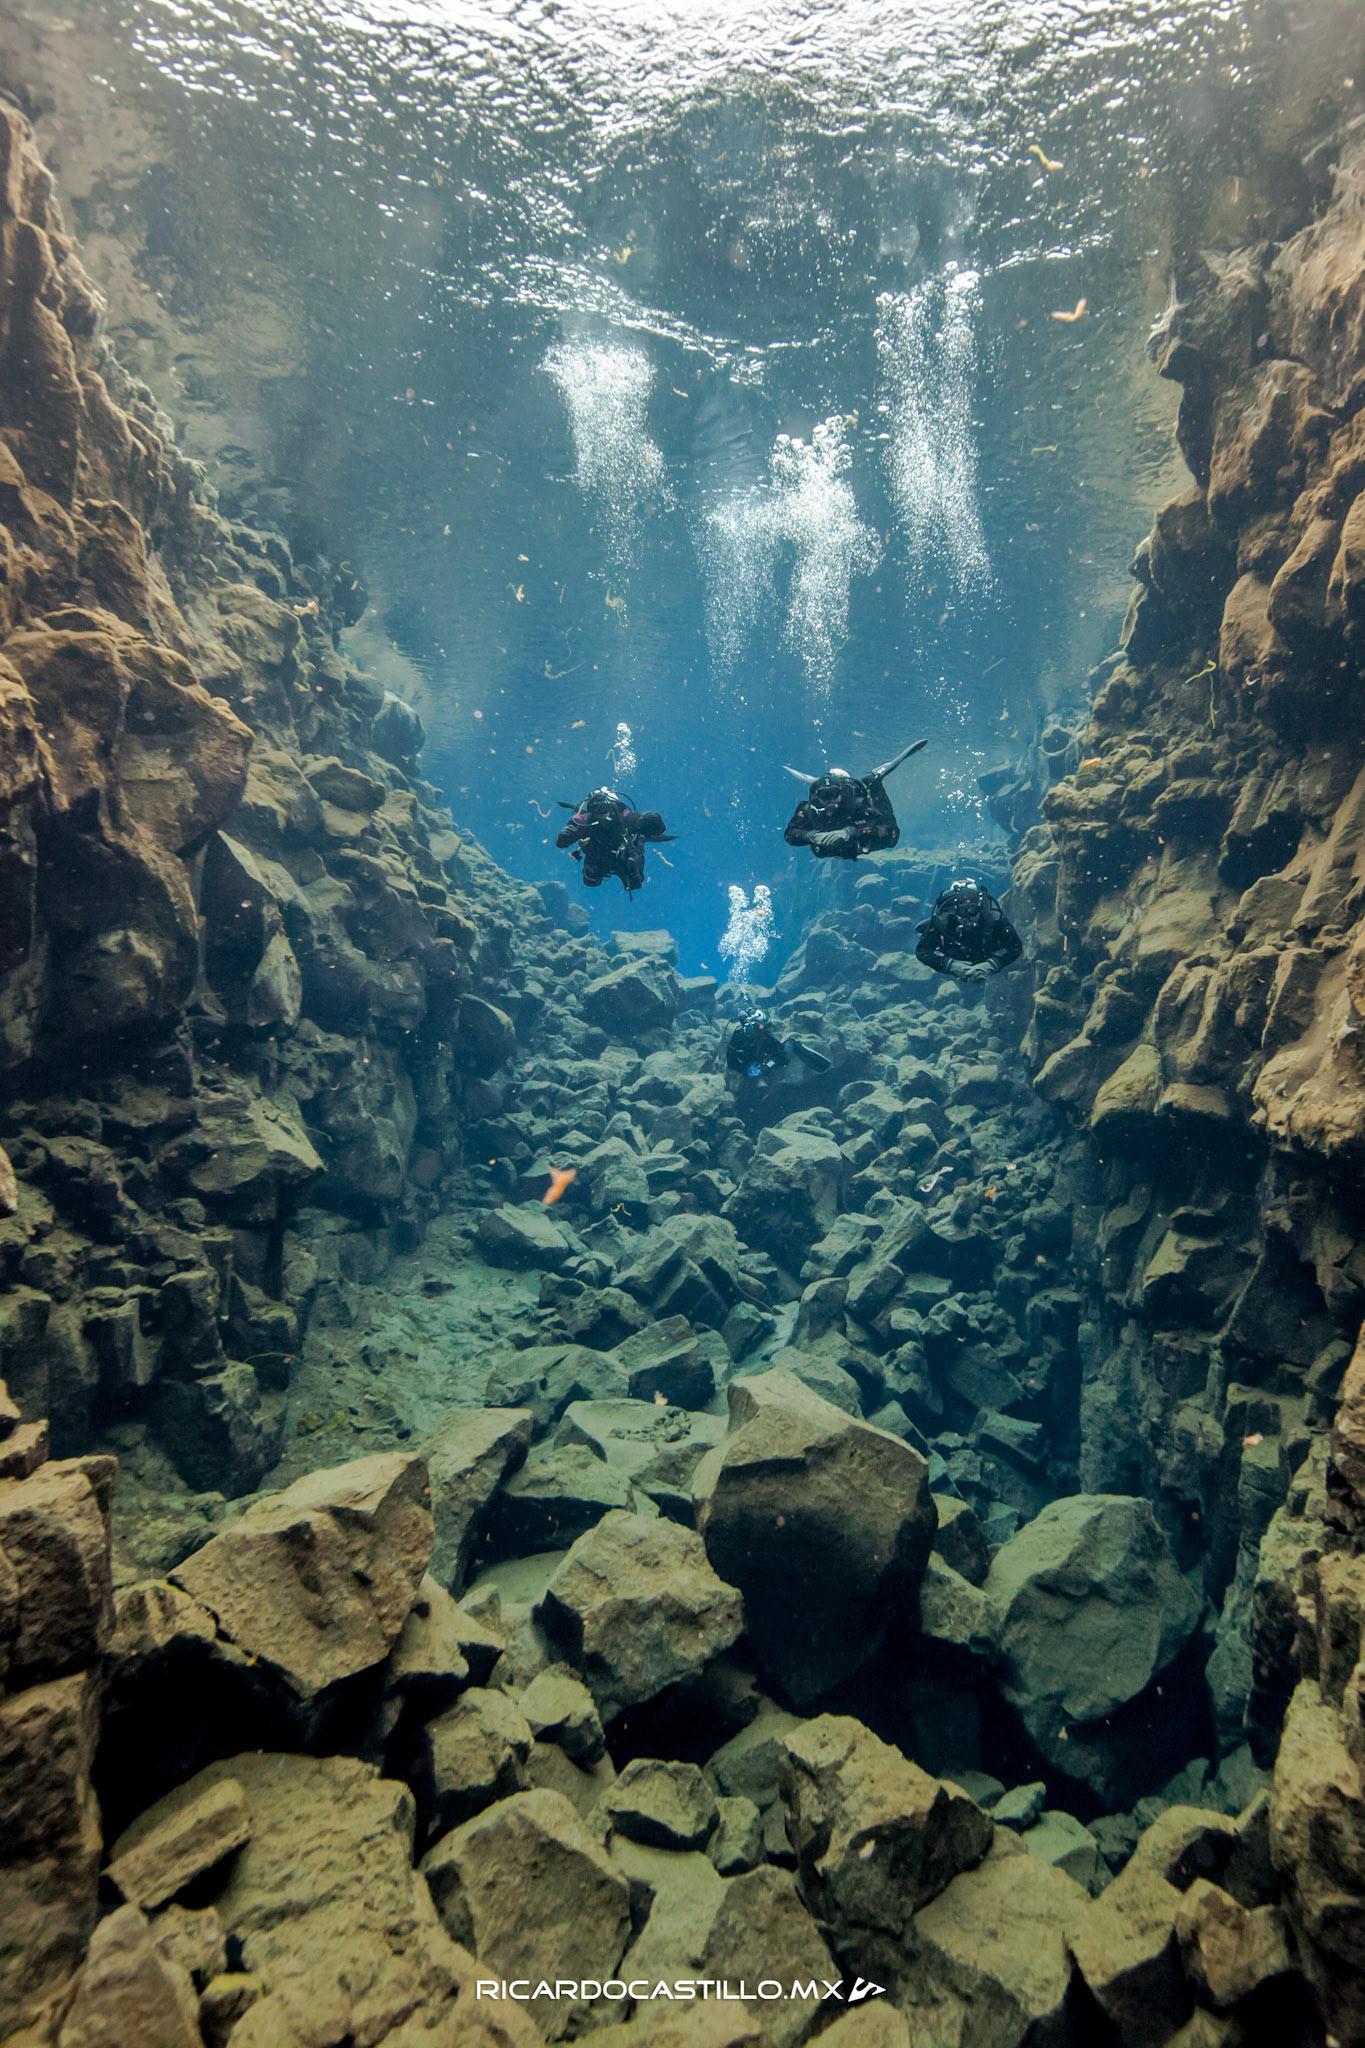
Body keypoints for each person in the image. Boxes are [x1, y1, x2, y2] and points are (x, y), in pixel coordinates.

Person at [783, 738, 928, 860]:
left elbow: (877, 825)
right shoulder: (809, 809)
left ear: (841, 793)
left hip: (857, 839)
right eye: (824, 796)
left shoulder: (855, 803)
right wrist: (811, 835)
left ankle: (874, 783)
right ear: (817, 796)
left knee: (891, 838)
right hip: (839, 849)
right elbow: (790, 834)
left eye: (833, 794)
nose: (829, 801)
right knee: (823, 851)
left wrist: (850, 831)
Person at [555, 787, 674, 894]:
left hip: (621, 857)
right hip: (598, 855)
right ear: (592, 811)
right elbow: (561, 843)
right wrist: (566, 835)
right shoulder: (585, 821)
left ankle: (633, 858)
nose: (602, 814)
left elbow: (651, 825)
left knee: (634, 881)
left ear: (611, 806)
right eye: (597, 810)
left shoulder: (624, 817)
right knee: (590, 881)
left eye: (604, 808)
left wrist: (651, 820)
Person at [915, 878, 1023, 982]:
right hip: (954, 957)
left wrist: (993, 964)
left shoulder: (992, 918)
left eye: (973, 910)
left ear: (979, 908)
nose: (969, 916)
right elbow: (923, 950)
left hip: (985, 956)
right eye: (963, 911)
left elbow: (1015, 945)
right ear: (955, 910)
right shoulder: (943, 920)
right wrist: (948, 964)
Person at [725, 1007, 831, 1084]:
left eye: (768, 1026)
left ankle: (792, 1043)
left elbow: (781, 1057)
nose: (766, 1030)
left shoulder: (766, 1035)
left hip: (763, 1062)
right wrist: (746, 1070)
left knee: (787, 1051)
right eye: (762, 1027)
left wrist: (768, 1066)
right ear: (754, 1025)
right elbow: (731, 1058)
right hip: (749, 1065)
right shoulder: (740, 1035)